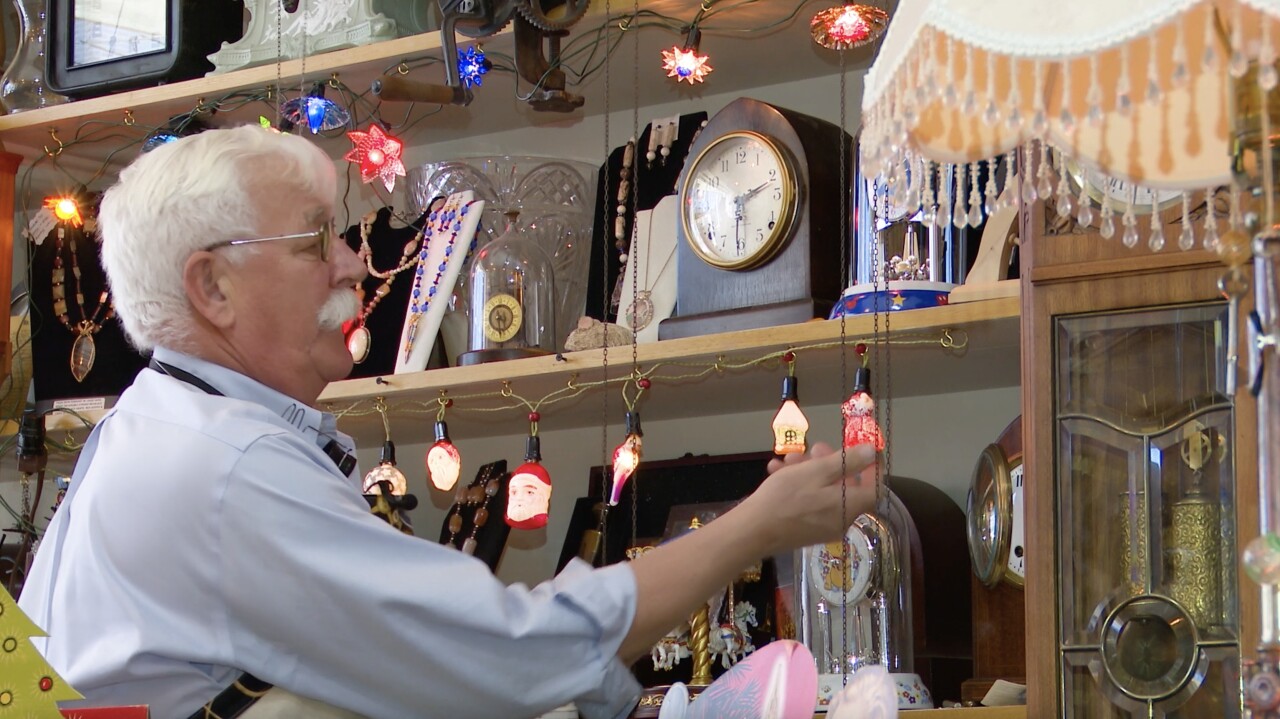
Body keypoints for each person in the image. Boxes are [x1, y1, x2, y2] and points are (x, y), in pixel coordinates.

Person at [18, 125, 879, 719]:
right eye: (317, 240)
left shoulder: (147, 432)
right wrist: (754, 527)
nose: (356, 260)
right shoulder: (223, 467)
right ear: (212, 287)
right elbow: (512, 656)